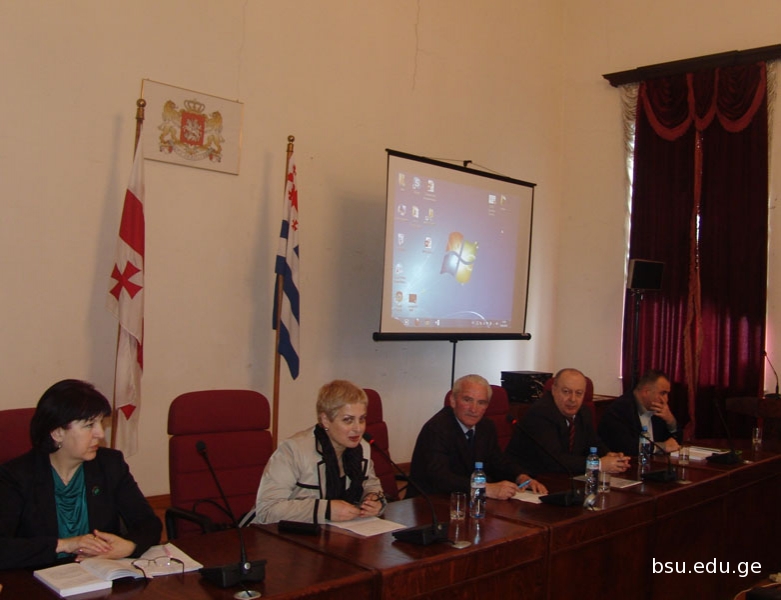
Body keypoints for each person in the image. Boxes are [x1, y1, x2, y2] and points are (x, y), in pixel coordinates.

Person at [0, 379, 161, 570]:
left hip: (99, 576)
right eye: (89, 425)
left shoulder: (110, 464)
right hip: (37, 579)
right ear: (57, 433)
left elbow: (148, 523)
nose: (100, 433)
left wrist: (128, 546)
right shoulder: (16, 476)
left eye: (101, 423)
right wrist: (65, 545)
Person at [253, 380, 386, 524]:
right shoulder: (293, 450)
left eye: (362, 419)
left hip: (338, 532)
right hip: (283, 533)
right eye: (348, 420)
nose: (358, 428)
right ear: (325, 420)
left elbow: (370, 484)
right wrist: (325, 510)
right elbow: (266, 510)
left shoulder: (362, 448)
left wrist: (374, 500)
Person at [408, 374, 547, 500]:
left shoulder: (486, 426)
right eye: (467, 400)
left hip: (468, 501)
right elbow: (440, 478)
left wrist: (521, 477)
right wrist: (485, 488)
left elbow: (498, 461)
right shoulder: (436, 429)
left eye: (481, 402)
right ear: (453, 401)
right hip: (430, 503)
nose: (473, 409)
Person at [506, 368, 630, 475]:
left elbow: (593, 443)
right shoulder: (540, 414)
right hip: (531, 480)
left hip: (565, 478)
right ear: (554, 390)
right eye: (566, 392)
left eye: (579, 393)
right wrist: (598, 464)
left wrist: (611, 457)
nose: (573, 399)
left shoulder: (583, 412)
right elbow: (554, 460)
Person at [598, 369, 682, 455]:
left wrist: (671, 421)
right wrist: (661, 447)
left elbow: (675, 443)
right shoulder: (619, 410)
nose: (666, 399)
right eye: (662, 393)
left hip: (656, 461)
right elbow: (626, 448)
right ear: (646, 392)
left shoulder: (658, 410)